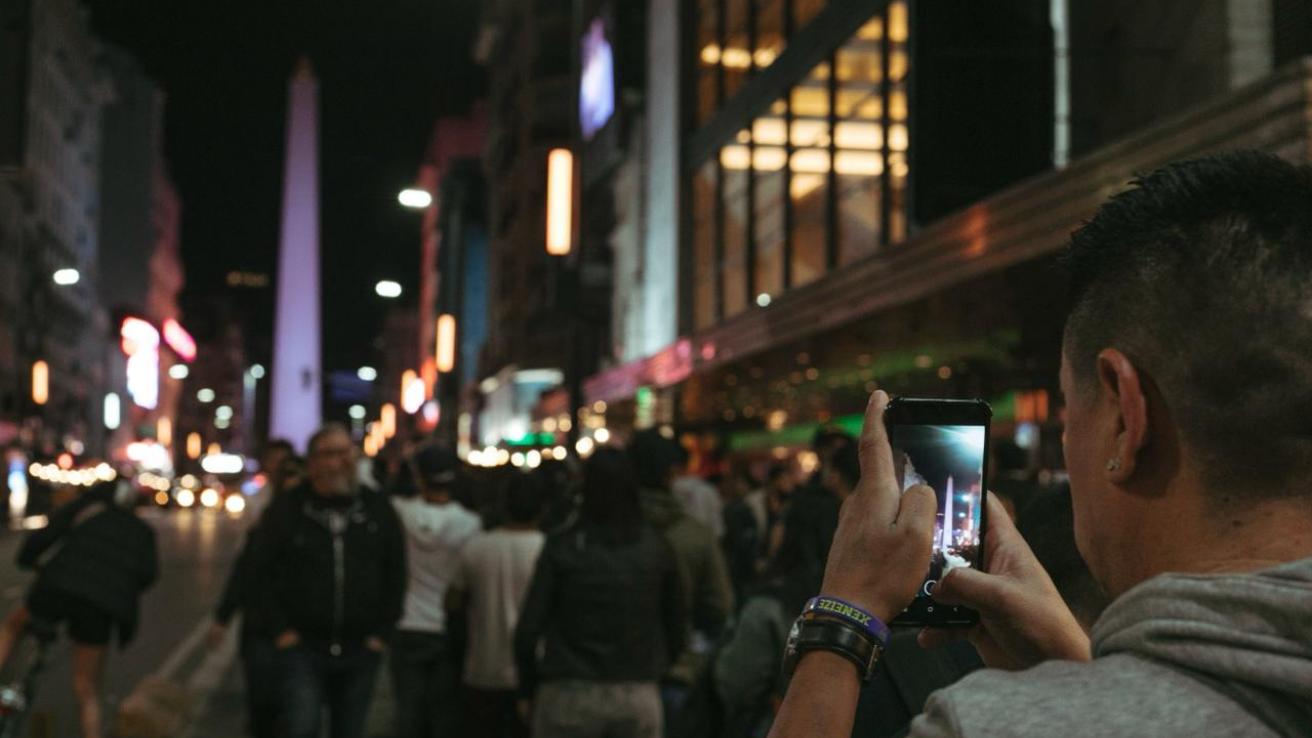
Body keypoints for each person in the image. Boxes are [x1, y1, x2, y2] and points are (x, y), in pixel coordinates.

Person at [769, 152, 1312, 738]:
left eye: (1068, 408)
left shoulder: (985, 727)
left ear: (1127, 417)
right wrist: (1077, 669)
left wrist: (845, 616)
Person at [248, 424, 407, 738]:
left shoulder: (376, 509)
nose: (344, 461)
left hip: (361, 648)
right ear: (313, 463)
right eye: (332, 454)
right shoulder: (288, 510)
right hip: (302, 648)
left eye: (348, 452)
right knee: (300, 727)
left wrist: (381, 634)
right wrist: (280, 630)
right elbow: (258, 573)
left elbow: (395, 572)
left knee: (349, 729)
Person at [514, 448, 685, 738]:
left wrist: (528, 690)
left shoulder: (563, 547)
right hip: (636, 691)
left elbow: (528, 630)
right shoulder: (656, 549)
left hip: (567, 693)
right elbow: (677, 626)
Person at [0, 479, 157, 738]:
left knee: (12, 627)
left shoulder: (87, 509)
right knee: (86, 687)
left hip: (58, 586)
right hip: (100, 606)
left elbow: (45, 537)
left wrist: (29, 562)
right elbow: (148, 574)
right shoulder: (142, 531)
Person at [629, 430, 734, 730]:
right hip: (677, 672)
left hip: (607, 674)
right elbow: (720, 607)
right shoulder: (694, 535)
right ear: (672, 474)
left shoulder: (599, 531)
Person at [208, 437, 300, 738]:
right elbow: (246, 568)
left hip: (299, 625)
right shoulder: (261, 509)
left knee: (294, 709)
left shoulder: (311, 517)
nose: (279, 472)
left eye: (286, 468)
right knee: (261, 704)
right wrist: (223, 615)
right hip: (260, 622)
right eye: (275, 465)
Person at [389, 443, 482, 738]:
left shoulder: (400, 514)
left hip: (407, 622)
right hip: (446, 625)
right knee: (443, 711)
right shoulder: (471, 524)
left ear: (420, 477)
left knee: (408, 711)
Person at [446, 472, 546, 738]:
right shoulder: (548, 551)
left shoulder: (477, 548)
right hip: (534, 673)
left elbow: (452, 602)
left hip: (482, 669)